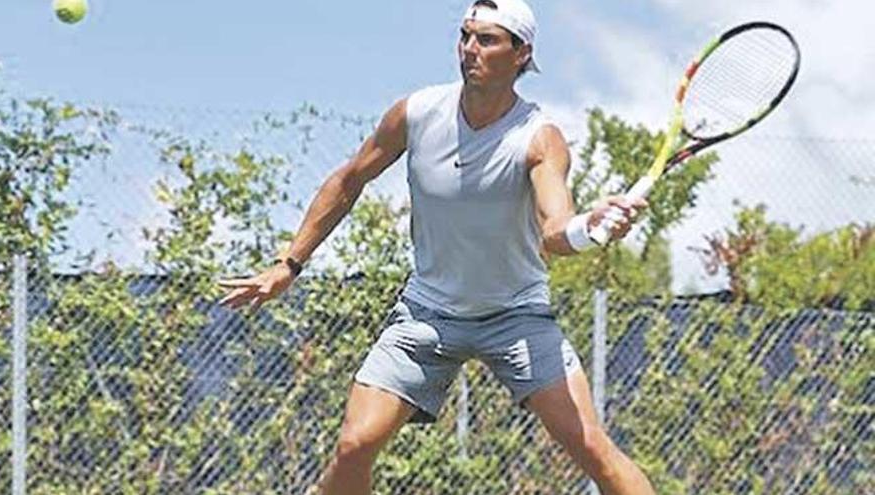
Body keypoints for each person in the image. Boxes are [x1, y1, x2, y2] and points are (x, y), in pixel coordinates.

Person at [219, 1, 656, 493]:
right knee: (353, 447)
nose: (470, 49)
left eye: (487, 40)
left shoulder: (539, 138)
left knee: (593, 449)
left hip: (515, 316)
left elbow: (553, 231)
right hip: (426, 314)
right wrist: (288, 264)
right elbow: (348, 180)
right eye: (465, 36)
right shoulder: (417, 112)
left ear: (521, 54)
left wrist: (588, 227)